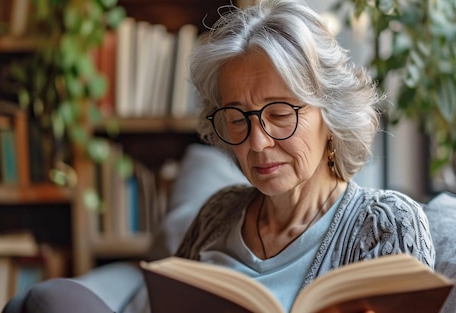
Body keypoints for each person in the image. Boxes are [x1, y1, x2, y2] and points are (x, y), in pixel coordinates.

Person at [174, 0, 435, 311]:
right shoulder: (217, 214)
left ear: (331, 116)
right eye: (237, 118)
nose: (257, 142)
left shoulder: (385, 224)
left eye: (281, 113)